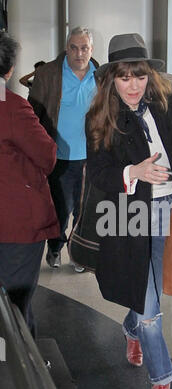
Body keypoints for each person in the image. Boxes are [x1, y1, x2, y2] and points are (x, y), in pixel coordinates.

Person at [86, 33, 172, 389]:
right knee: (149, 310)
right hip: (129, 217)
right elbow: (99, 174)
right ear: (112, 79)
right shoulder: (100, 117)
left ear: (148, 75)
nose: (133, 85)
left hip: (171, 212)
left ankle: (131, 328)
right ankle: (162, 381)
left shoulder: (165, 99)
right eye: (124, 77)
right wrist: (134, 171)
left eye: (139, 76)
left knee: (147, 298)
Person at [0, 31, 59, 337]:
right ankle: (20, 374)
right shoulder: (12, 107)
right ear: (9, 70)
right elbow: (48, 156)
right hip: (16, 225)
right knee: (15, 306)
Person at [28, 26, 99, 272]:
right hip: (58, 157)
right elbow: (32, 115)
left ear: (91, 50)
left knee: (84, 209)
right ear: (66, 48)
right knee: (61, 207)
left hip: (90, 158)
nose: (79, 54)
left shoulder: (100, 76)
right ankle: (55, 248)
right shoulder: (48, 74)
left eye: (84, 48)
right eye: (74, 47)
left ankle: (77, 252)